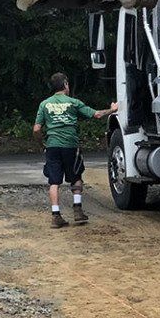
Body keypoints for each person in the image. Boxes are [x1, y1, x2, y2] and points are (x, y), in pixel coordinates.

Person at [33, 73, 116, 228]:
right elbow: (97, 114)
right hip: (70, 145)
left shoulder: (44, 104)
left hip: (52, 146)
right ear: (65, 84)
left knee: (54, 181)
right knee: (76, 176)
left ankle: (56, 215)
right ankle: (77, 210)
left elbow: (36, 129)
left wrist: (42, 144)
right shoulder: (73, 103)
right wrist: (112, 109)